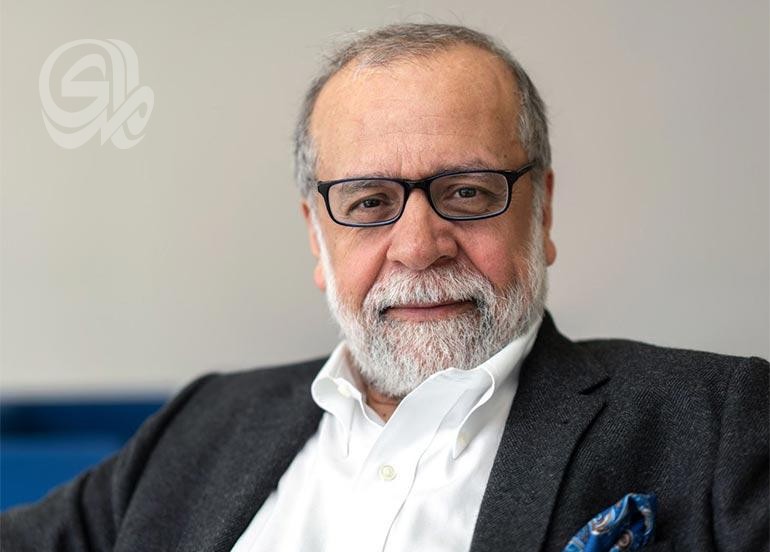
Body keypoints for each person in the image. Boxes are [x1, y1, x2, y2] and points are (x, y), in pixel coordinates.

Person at [2, 23, 767, 552]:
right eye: (369, 202)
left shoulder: (718, 422)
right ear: (317, 236)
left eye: (466, 192)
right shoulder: (203, 423)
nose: (419, 247)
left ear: (542, 211)